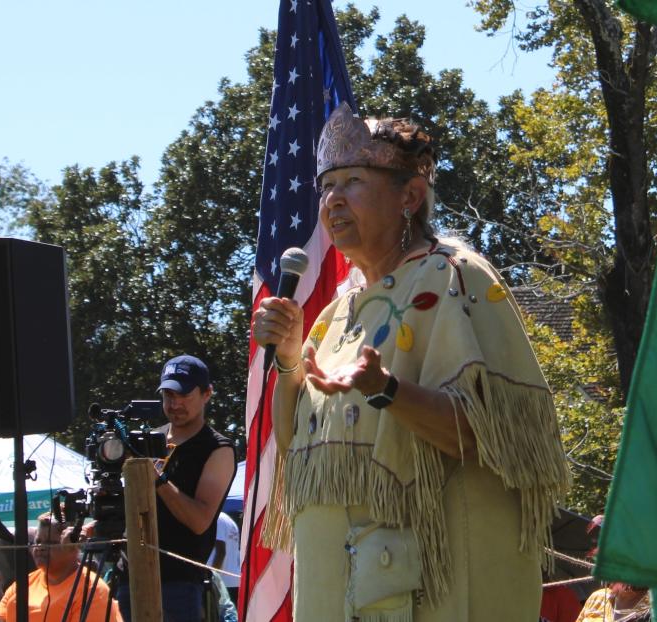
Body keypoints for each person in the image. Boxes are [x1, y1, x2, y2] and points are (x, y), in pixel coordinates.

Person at [252, 102, 571, 621]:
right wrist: (290, 360)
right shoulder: (335, 316)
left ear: (410, 196)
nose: (332, 199)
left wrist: (389, 390)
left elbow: (493, 434)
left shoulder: (454, 279)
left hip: (433, 589)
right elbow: (292, 444)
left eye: (353, 180)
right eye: (325, 186)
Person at [116, 354, 236, 622]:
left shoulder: (217, 448)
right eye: (168, 394)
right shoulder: (146, 440)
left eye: (183, 394)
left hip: (179, 583)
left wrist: (155, 478)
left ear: (207, 394)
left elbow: (199, 520)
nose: (174, 403)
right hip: (130, 575)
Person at [0, 513, 122, 622]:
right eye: (37, 541)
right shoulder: (22, 585)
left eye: (50, 543)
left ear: (73, 546)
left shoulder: (92, 589)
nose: (40, 547)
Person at [206, 512, 240, 603]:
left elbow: (221, 552)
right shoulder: (229, 520)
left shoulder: (217, 519)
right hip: (233, 581)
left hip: (221, 584)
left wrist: (212, 579)